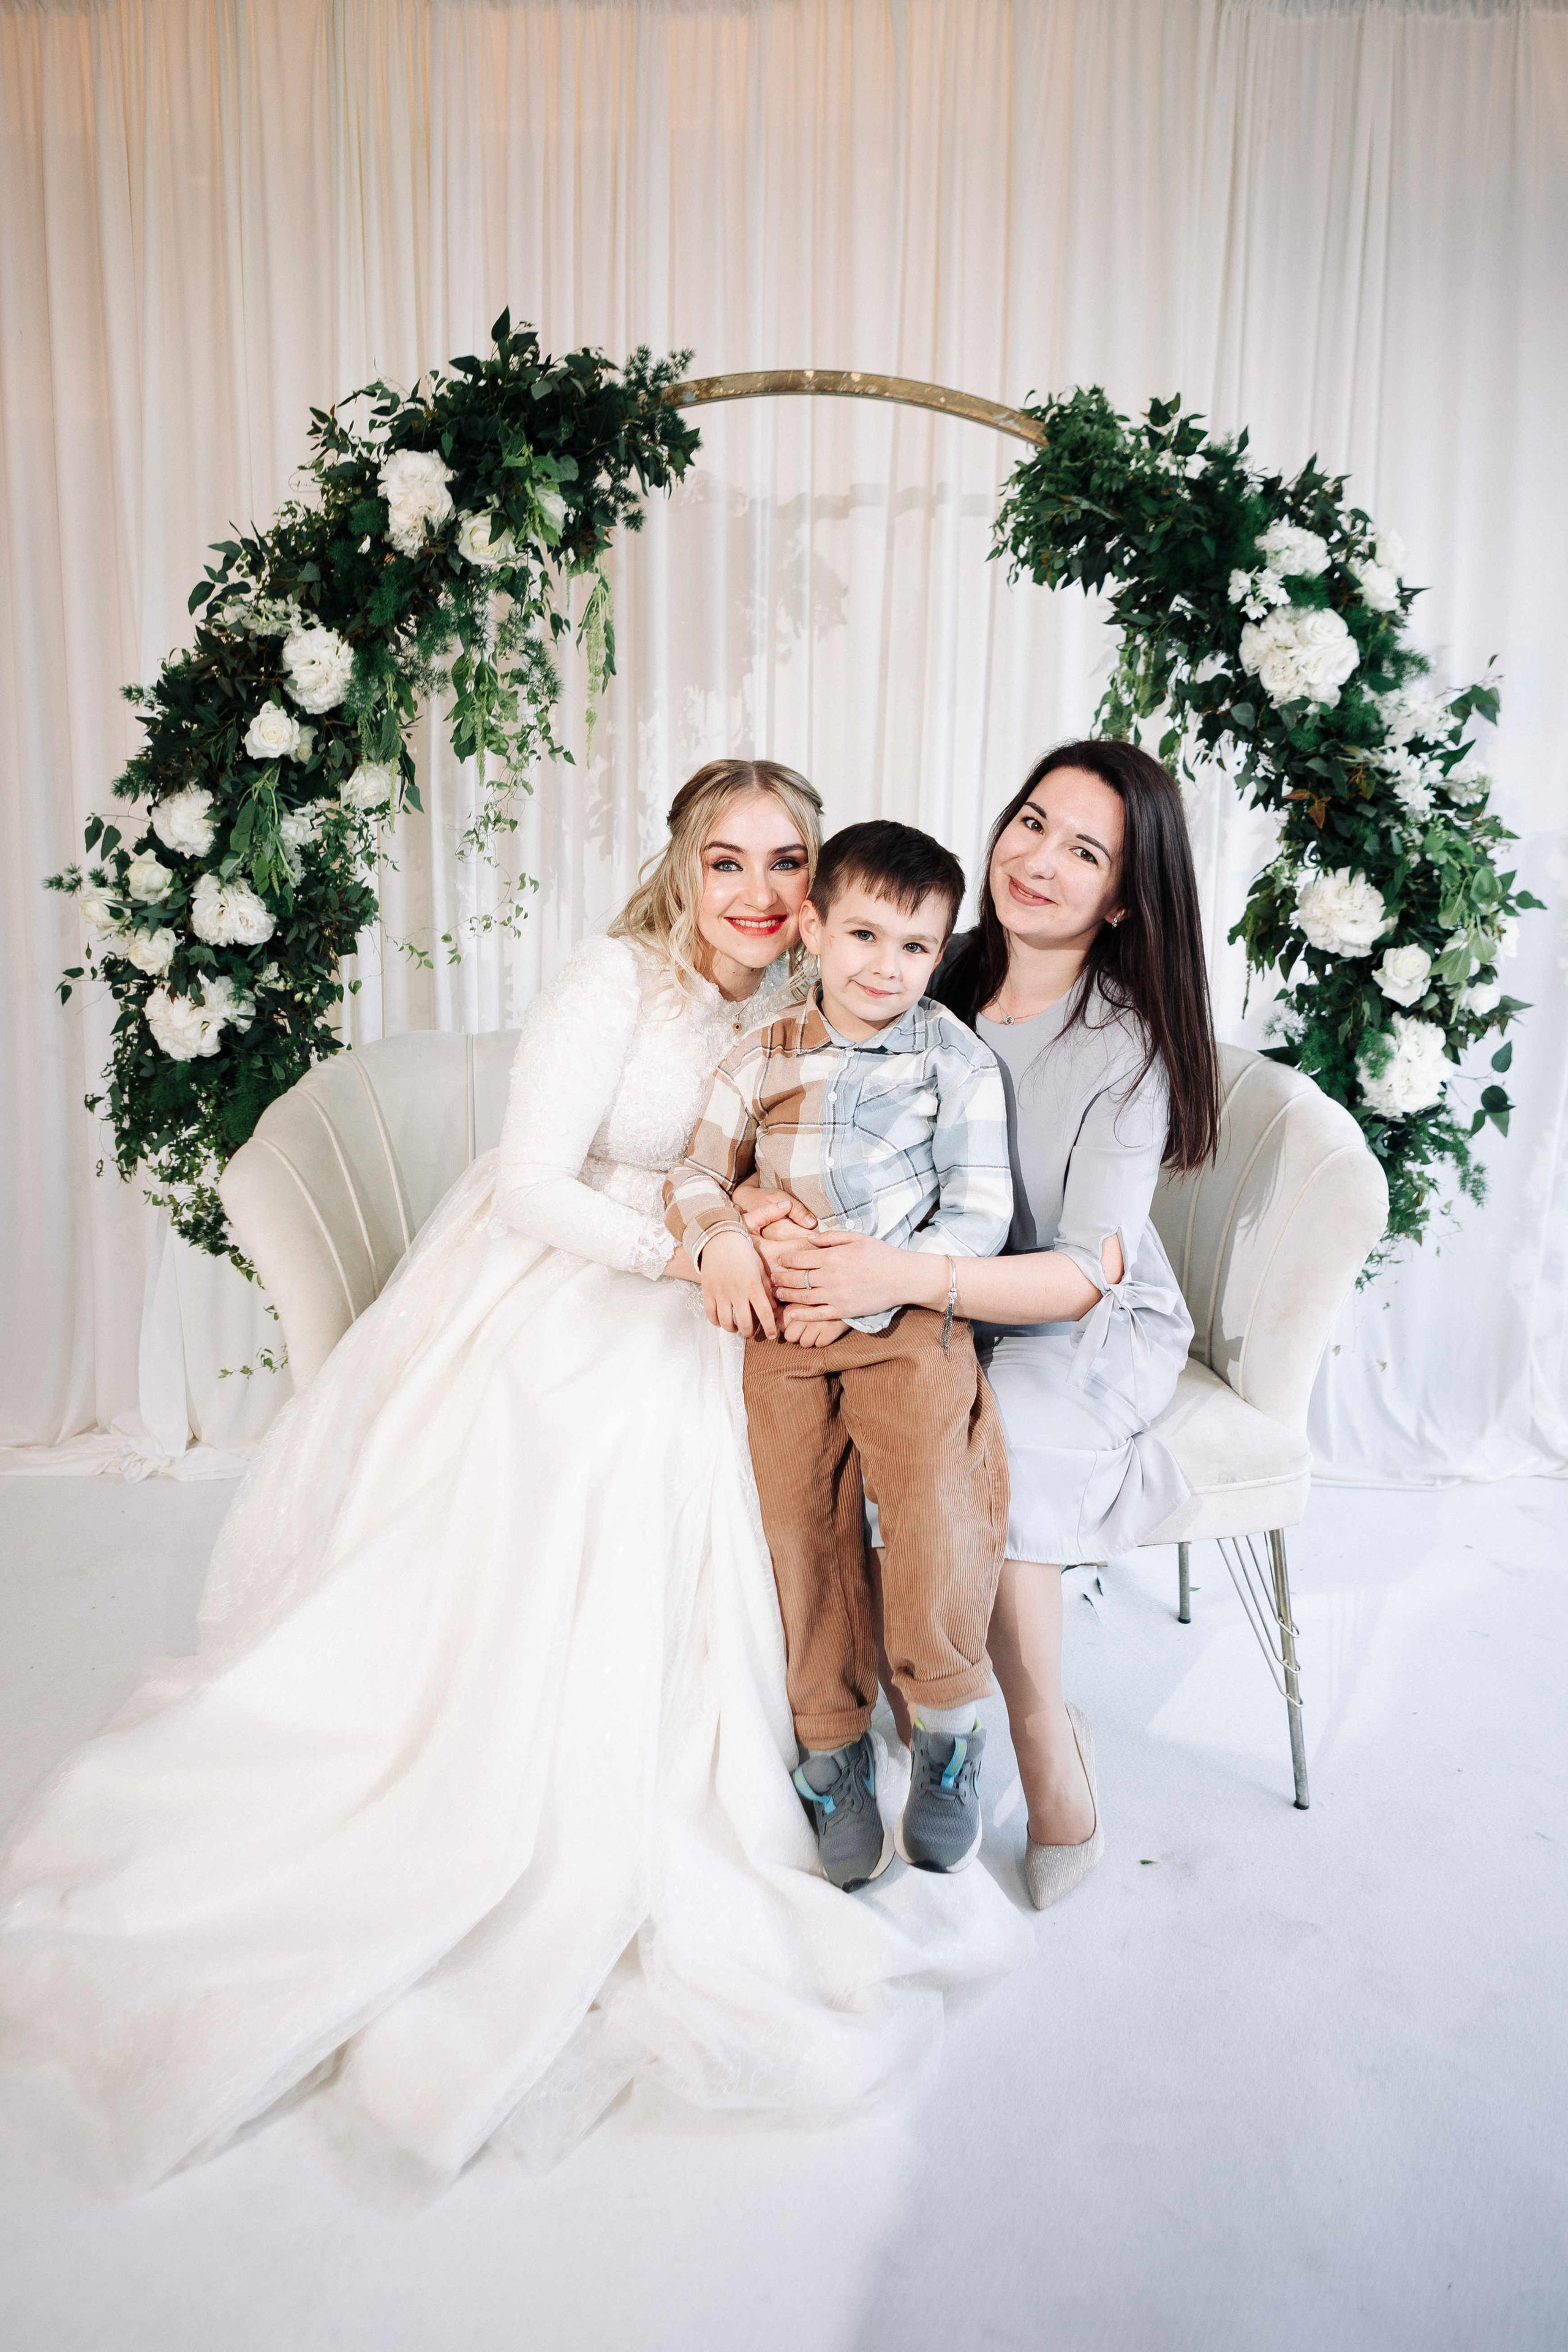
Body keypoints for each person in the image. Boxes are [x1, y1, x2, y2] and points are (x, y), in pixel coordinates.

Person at [0, 761, 1028, 2201]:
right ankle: (619, 1767)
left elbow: (797, 1157)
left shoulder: (815, 1003)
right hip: (574, 1271)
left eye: (784, 862)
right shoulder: (612, 982)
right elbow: (536, 1182)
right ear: (681, 865)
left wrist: (779, 1234)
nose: (755, 891)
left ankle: (833, 1727)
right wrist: (692, 1248)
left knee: (766, 1431)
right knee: (620, 1438)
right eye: (725, 861)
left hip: (734, 1277)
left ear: (818, 889)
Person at [753, 742, 1219, 1913]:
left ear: (1124, 898)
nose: (1039, 860)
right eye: (1032, 822)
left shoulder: (1124, 1045)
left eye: (1085, 852)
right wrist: (772, 1215)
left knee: (984, 1439)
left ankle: (1045, 1744)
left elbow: (1081, 1276)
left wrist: (891, 1274)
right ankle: (871, 1720)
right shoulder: (930, 970)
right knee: (837, 1423)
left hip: (1068, 1315)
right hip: (914, 1286)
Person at [665, 821, 1014, 1894]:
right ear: (812, 927)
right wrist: (730, 1241)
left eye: (916, 947)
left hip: (903, 1315)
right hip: (784, 1322)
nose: (886, 967)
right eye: (863, 935)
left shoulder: (955, 1059)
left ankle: (947, 1723)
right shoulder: (760, 1054)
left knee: (931, 1499)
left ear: (941, 952)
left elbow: (979, 1214)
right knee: (799, 1523)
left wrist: (875, 1280)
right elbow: (694, 1174)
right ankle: (832, 1746)